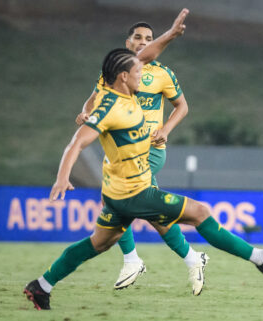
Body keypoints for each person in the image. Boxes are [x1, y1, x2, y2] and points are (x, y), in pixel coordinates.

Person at [23, 9, 263, 311]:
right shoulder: (111, 107)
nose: (144, 75)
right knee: (200, 212)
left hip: (118, 192)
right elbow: (76, 143)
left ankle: (42, 286)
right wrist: (63, 177)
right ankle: (260, 259)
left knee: (98, 243)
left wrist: (171, 35)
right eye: (138, 72)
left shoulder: (121, 92)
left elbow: (146, 55)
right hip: (134, 192)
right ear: (123, 77)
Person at [76, 21, 194, 291]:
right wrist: (85, 114)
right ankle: (185, 258)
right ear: (127, 42)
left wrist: (166, 128)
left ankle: (140, 259)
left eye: (148, 38)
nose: (143, 41)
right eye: (138, 37)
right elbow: (92, 100)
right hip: (122, 149)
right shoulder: (116, 74)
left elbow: (182, 106)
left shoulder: (163, 74)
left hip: (150, 149)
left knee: (126, 202)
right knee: (120, 202)